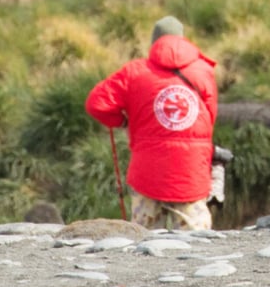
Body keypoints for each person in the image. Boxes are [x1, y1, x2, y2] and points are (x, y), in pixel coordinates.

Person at [85, 16, 218, 230]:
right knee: (197, 248)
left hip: (147, 173)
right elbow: (209, 118)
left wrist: (123, 122)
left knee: (144, 245)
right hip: (191, 173)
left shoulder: (134, 71)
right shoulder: (204, 71)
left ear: (154, 42)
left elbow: (96, 103)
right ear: (182, 39)